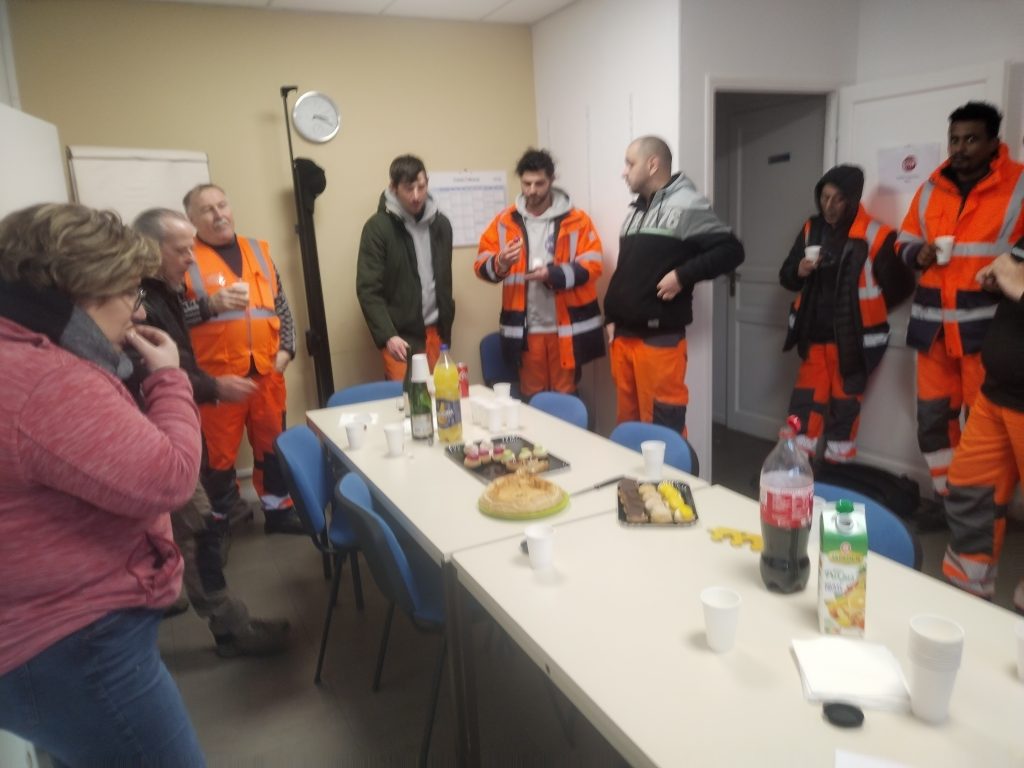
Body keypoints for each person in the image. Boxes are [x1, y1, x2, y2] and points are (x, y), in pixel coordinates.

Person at [0, 203, 205, 765]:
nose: (136, 310)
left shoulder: (18, 350)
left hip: (43, 638)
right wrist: (169, 378)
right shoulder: (45, 380)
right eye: (129, 292)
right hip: (76, 644)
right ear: (85, 293)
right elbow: (170, 477)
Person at [132, 208, 291, 657]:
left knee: (179, 523)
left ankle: (172, 592)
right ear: (151, 250)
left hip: (178, 416)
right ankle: (230, 629)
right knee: (201, 523)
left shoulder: (161, 291)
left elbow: (178, 357)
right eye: (181, 250)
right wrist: (214, 386)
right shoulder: (136, 301)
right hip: (160, 429)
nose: (191, 258)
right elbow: (158, 368)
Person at [897, 101, 1024, 495]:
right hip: (932, 331)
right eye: (954, 139)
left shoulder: (1019, 186)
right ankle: (947, 500)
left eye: (971, 139)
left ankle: (981, 506)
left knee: (985, 430)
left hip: (985, 333)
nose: (960, 148)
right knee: (933, 423)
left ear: (993, 143)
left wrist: (1008, 274)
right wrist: (916, 254)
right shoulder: (930, 188)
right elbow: (904, 240)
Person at [182, 183, 303, 534]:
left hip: (268, 373)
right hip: (217, 381)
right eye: (207, 210)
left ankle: (279, 512)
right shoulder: (184, 258)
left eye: (222, 205)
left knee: (273, 446)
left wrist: (287, 350)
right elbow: (168, 315)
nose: (218, 214)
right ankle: (223, 521)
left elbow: (281, 306)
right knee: (218, 457)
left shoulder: (258, 251)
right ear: (192, 219)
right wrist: (209, 305)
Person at [604, 135, 744, 436]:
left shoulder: (688, 204)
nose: (624, 172)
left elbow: (731, 251)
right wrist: (612, 317)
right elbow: (630, 272)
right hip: (624, 338)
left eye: (630, 163)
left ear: (652, 164)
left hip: (659, 341)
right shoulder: (636, 210)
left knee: (662, 431)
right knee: (628, 428)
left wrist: (682, 276)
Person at [779, 165, 914, 462]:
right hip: (813, 336)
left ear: (851, 200)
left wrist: (869, 306)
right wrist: (798, 270)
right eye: (824, 197)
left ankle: (837, 471)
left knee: (845, 408)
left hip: (854, 342)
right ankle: (796, 468)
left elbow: (902, 286)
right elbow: (786, 277)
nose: (829, 206)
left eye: (838, 199)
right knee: (804, 405)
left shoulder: (875, 234)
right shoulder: (811, 229)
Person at [474, 148, 605, 397]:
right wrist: (500, 261)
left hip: (564, 329)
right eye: (526, 183)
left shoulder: (577, 220)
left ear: (552, 180)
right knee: (533, 398)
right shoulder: (504, 221)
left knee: (565, 397)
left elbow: (594, 264)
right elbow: (481, 264)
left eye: (539, 183)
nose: (532, 190)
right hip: (526, 330)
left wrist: (552, 275)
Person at [942, 244, 1024, 612]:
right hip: (997, 393)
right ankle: (966, 599)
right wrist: (1000, 284)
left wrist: (1019, 285)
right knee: (970, 491)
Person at [356, 155, 454, 380]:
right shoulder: (378, 228)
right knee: (409, 398)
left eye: (421, 187)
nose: (416, 196)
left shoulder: (442, 225)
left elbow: (444, 281)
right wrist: (388, 335)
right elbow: (368, 290)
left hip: (436, 333)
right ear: (393, 187)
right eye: (409, 189)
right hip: (400, 337)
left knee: (441, 394)